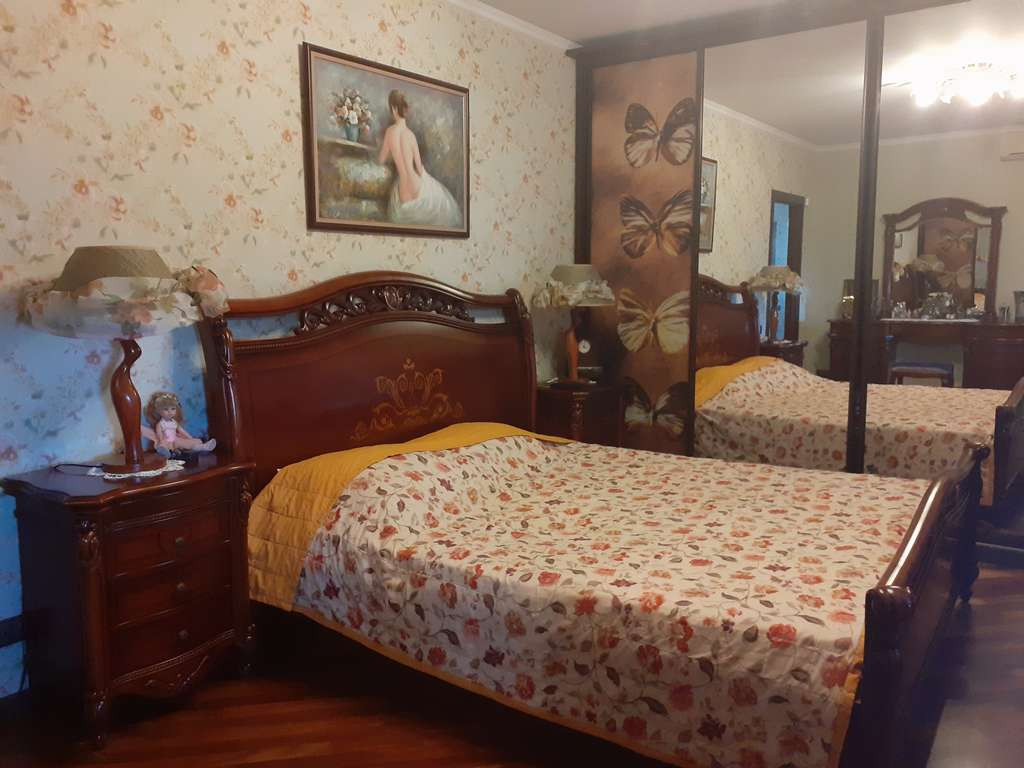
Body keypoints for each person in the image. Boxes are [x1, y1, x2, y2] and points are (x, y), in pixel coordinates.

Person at [377, 89, 462, 228]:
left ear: (393, 108)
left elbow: (381, 160)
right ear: (405, 109)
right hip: (416, 186)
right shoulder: (411, 136)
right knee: (441, 203)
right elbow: (419, 168)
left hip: (403, 191)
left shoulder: (390, 132)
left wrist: (393, 155)